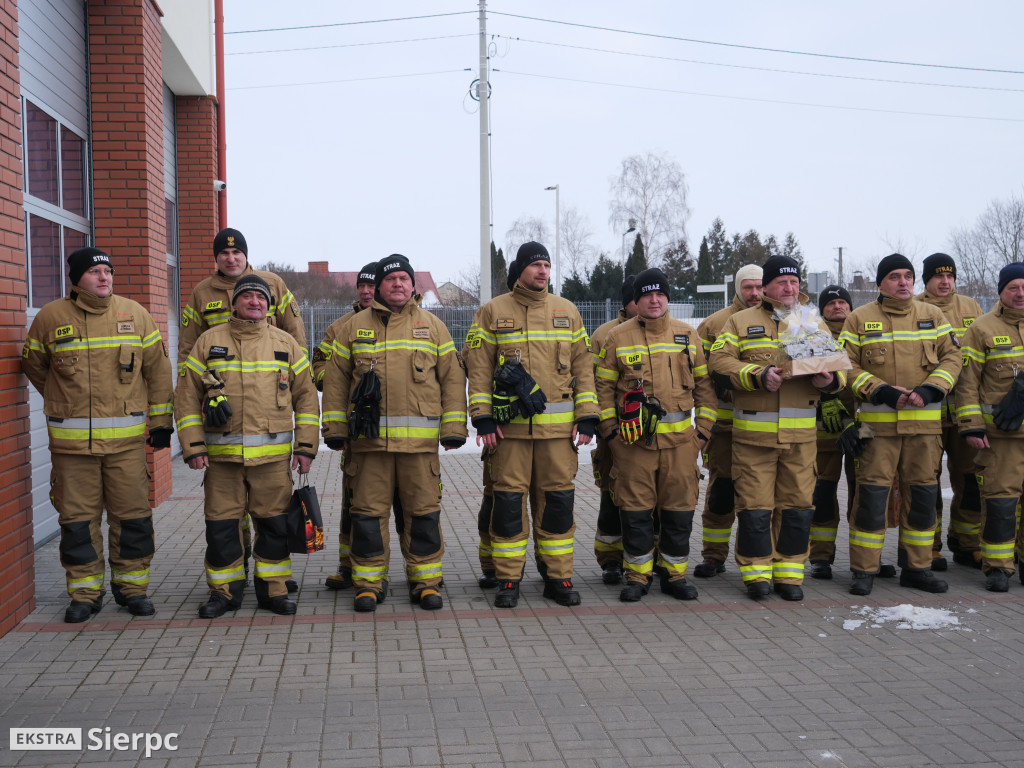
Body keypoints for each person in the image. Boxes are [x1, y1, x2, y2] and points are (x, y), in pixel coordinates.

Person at [23, 247, 173, 622]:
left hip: (126, 447)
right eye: (94, 271)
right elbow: (35, 365)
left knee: (133, 517)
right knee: (77, 521)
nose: (104, 277)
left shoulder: (135, 314)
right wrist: (64, 401)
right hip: (72, 451)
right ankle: (85, 594)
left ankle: (132, 589)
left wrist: (160, 423)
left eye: (108, 270)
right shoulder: (50, 317)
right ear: (75, 278)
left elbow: (157, 372)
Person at [321, 255, 467, 612]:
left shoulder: (433, 327)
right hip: (369, 447)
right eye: (391, 279)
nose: (398, 284)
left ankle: (426, 582)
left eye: (404, 278)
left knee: (423, 515)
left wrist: (453, 428)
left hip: (419, 449)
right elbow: (337, 382)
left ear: (413, 285)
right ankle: (369, 584)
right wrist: (335, 429)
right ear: (380, 286)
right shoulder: (353, 328)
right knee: (367, 516)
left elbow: (451, 379)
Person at [175, 274, 319, 617]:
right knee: (222, 528)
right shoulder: (208, 342)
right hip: (221, 461)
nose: (255, 302)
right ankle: (223, 593)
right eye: (248, 296)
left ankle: (274, 591)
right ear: (234, 303)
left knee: (274, 527)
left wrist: (306, 448)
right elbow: (186, 397)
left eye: (261, 297)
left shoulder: (286, 343)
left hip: (272, 461)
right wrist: (193, 447)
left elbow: (307, 399)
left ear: (269, 305)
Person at [465, 242, 599, 608]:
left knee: (557, 505)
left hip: (558, 437)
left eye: (547, 265)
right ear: (520, 269)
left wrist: (587, 415)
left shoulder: (567, 311)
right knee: (507, 506)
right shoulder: (492, 312)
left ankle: (559, 578)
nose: (543, 271)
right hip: (509, 434)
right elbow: (477, 370)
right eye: (536, 264)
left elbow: (584, 368)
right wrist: (483, 416)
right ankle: (508, 579)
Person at [709, 255, 844, 601]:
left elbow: (841, 368)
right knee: (755, 507)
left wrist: (830, 380)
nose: (790, 287)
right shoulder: (740, 321)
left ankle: (789, 574)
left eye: (795, 281)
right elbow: (719, 361)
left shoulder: (810, 321)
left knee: (797, 507)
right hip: (754, 439)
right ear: (766, 286)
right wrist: (757, 376)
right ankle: (756, 574)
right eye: (782, 282)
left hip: (801, 440)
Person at [839, 253, 961, 596]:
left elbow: (953, 358)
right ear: (881, 283)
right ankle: (864, 570)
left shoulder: (933, 315)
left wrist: (931, 388)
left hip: (924, 430)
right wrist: (880, 391)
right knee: (872, 499)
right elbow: (844, 364)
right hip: (877, 430)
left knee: (922, 498)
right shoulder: (859, 319)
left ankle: (917, 568)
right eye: (895, 276)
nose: (903, 281)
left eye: (908, 275)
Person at [595, 269, 716, 601]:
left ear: (667, 298)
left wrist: (701, 435)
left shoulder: (688, 335)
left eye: (660, 294)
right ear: (636, 299)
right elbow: (602, 390)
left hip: (681, 445)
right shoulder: (617, 337)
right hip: (632, 447)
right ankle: (637, 576)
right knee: (635, 515)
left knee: (679, 514)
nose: (653, 300)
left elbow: (706, 390)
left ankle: (674, 576)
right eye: (646, 294)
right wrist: (611, 435)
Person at [311, 261, 390, 591]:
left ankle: (421, 571)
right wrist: (341, 382)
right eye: (363, 285)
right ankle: (348, 567)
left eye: (372, 285)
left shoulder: (401, 323)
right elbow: (319, 367)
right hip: (358, 433)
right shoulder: (341, 327)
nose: (367, 291)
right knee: (354, 503)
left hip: (401, 434)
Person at [956, 263, 1024, 592]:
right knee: (1000, 500)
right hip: (1001, 436)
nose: (1021, 293)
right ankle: (998, 566)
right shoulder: (981, 328)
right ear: (1001, 291)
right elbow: (967, 384)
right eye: (1013, 287)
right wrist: (971, 426)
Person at [693, 264, 763, 578]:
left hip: (764, 428)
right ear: (738, 288)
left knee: (759, 496)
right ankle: (713, 556)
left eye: (760, 287)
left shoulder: (781, 322)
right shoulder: (714, 324)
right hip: (724, 428)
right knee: (721, 492)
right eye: (748, 287)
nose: (755, 294)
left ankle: (761, 557)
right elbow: (694, 373)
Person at [915, 252, 984, 569]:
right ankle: (930, 546)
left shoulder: (971, 307)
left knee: (970, 478)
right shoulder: (915, 309)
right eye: (938, 276)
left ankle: (966, 542)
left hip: (965, 412)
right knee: (928, 479)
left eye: (950, 276)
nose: (945, 281)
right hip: (927, 410)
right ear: (926, 279)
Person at [587, 275, 638, 585]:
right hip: (614, 434)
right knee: (611, 496)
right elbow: (593, 382)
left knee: (652, 501)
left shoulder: (671, 332)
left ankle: (649, 556)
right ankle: (610, 559)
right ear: (626, 302)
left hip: (652, 436)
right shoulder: (605, 335)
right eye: (637, 298)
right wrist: (604, 428)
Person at [808, 285, 859, 579]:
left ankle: (864, 558)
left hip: (862, 430)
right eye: (831, 303)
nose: (838, 307)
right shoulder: (813, 333)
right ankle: (821, 558)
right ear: (822, 308)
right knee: (823, 495)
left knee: (862, 495)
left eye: (843, 302)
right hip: (824, 431)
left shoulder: (863, 329)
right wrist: (829, 400)